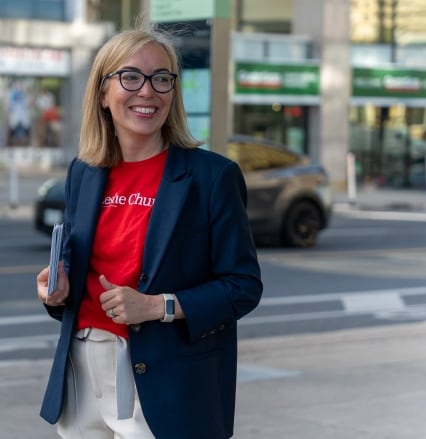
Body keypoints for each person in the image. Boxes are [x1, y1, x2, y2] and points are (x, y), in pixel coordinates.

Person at [35, 27, 263, 439]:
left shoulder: (211, 177)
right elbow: (74, 263)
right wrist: (58, 286)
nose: (147, 91)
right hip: (81, 370)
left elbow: (243, 286)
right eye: (131, 77)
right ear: (103, 93)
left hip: (165, 380)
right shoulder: (83, 173)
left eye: (161, 78)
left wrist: (160, 306)